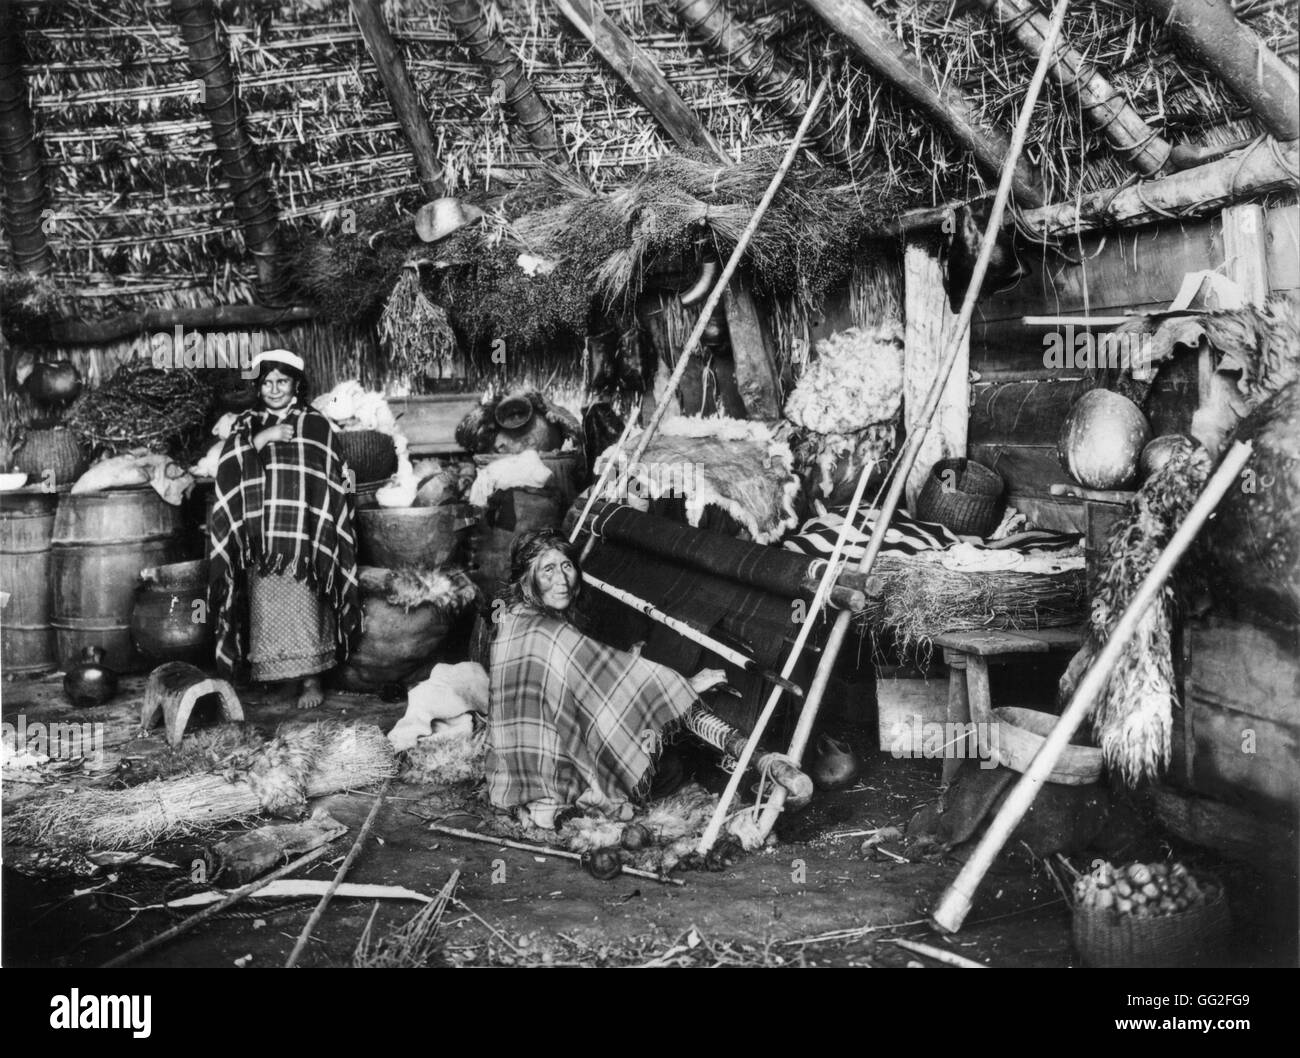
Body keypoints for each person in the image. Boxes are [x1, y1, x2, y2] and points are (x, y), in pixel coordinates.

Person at [486, 529, 811, 828]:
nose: (563, 580)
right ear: (527, 580)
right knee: (670, 770)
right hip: (556, 772)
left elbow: (581, 685)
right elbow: (604, 690)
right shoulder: (552, 634)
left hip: (517, 771)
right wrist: (687, 686)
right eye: (548, 570)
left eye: (567, 566)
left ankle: (540, 804)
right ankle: (565, 802)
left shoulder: (515, 622)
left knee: (654, 753)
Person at [208, 350, 361, 709]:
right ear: (258, 387)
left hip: (305, 538)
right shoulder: (247, 423)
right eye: (267, 382)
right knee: (263, 607)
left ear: (296, 384)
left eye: (282, 381)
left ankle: (311, 679)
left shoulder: (316, 424)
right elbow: (228, 468)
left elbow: (335, 476)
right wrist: (266, 437)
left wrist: (328, 520)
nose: (274, 389)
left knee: (307, 604)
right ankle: (276, 679)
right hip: (261, 536)